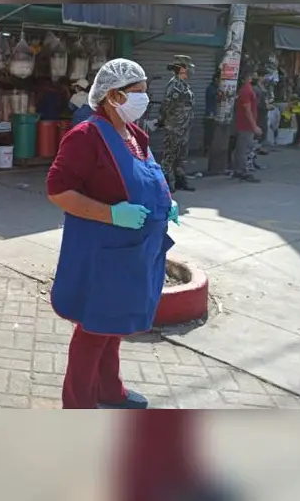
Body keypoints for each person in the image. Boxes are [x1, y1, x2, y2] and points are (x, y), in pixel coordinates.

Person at [46, 58, 178, 409]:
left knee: (113, 327)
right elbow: (58, 191)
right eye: (138, 92)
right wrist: (112, 214)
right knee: (93, 330)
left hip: (133, 251)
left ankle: (109, 391)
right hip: (103, 252)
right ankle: (78, 404)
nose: (145, 98)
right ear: (113, 96)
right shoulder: (86, 136)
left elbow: (148, 176)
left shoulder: (135, 134)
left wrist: (168, 203)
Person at [158, 55, 196, 192]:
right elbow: (166, 105)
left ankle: (180, 180)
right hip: (174, 127)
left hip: (184, 127)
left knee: (181, 155)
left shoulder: (185, 85)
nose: (191, 70)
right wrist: (161, 120)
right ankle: (165, 183)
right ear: (181, 69)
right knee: (169, 155)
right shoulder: (174, 85)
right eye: (188, 67)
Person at [232, 71, 262, 183]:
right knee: (244, 149)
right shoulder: (246, 90)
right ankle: (243, 171)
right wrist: (254, 126)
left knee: (241, 148)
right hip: (245, 125)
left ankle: (238, 170)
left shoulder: (247, 89)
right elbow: (247, 110)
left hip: (245, 124)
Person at [203, 70, 221, 155]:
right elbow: (216, 97)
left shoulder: (215, 88)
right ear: (216, 79)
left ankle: (209, 149)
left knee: (212, 133)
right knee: (210, 134)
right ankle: (207, 150)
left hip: (213, 114)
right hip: (210, 114)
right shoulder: (211, 88)